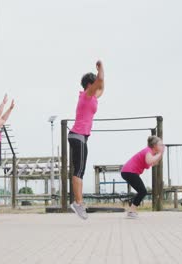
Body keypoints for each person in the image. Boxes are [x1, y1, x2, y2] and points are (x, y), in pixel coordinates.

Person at [68, 60, 105, 220]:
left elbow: (102, 87)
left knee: (80, 170)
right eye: (94, 84)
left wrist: (101, 77)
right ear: (90, 85)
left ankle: (78, 202)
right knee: (79, 171)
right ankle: (78, 203)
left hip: (80, 137)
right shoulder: (86, 95)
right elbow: (100, 81)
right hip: (78, 136)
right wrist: (101, 68)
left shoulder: (92, 97)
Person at [121, 136, 165, 219]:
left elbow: (154, 163)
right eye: (160, 145)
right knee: (142, 191)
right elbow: (150, 161)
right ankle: (131, 211)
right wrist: (159, 153)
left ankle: (131, 210)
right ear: (155, 145)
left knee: (141, 191)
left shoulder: (150, 152)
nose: (162, 146)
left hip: (128, 172)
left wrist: (160, 154)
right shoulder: (148, 151)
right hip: (129, 171)